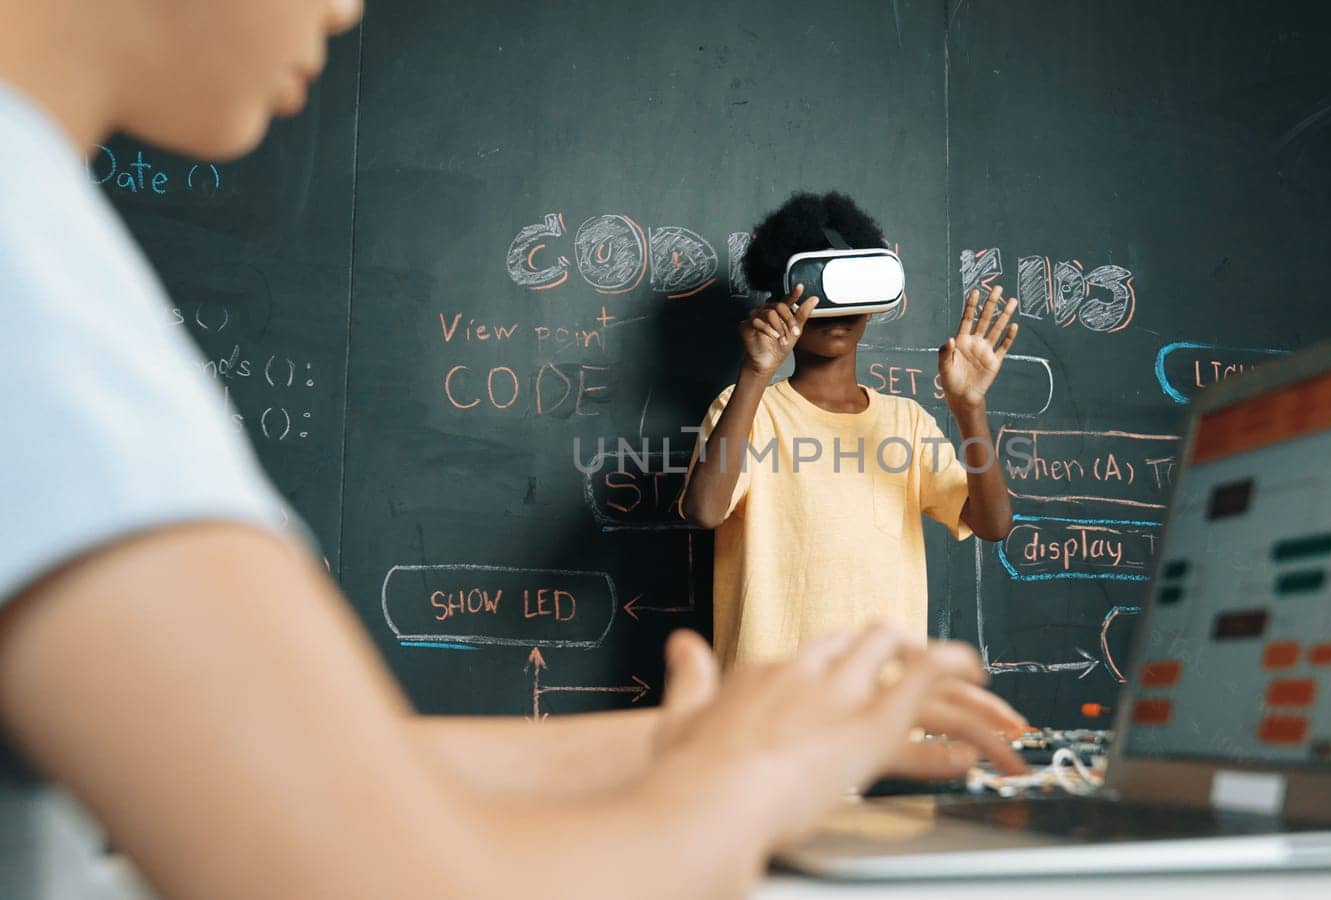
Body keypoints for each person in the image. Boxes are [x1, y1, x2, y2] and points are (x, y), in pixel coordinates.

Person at [0, 2, 1028, 898]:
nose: (350, 10)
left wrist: (678, 748)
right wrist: (752, 782)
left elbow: (272, 774)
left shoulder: (42, 233)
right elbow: (380, 872)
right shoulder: (29, 256)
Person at [680, 191, 1021, 668]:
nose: (836, 310)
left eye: (850, 287)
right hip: (769, 711)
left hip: (882, 708)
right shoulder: (748, 411)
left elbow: (994, 524)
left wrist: (969, 408)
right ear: (781, 298)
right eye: (817, 288)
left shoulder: (908, 422)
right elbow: (704, 510)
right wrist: (755, 373)